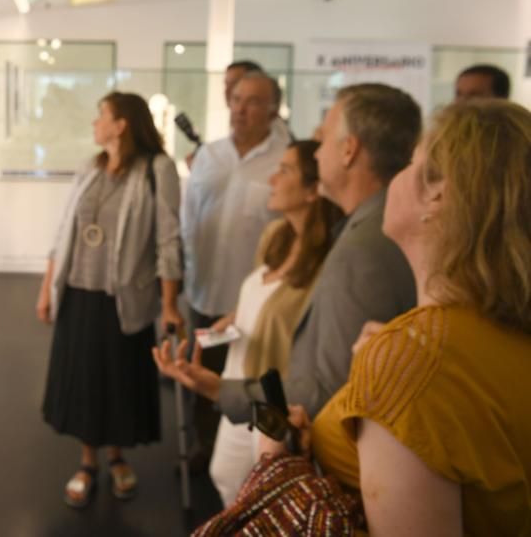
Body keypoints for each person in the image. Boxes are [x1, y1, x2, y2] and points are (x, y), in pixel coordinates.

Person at [257, 100, 531, 535]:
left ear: (437, 193)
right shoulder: (484, 337)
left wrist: (278, 464)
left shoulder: (410, 362)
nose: (394, 179)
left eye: (410, 163)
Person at [159, 83, 421, 425]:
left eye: (323, 139)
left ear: (349, 151)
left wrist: (221, 390)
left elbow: (330, 390)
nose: (315, 153)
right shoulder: (373, 227)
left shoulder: (362, 251)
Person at [37, 91, 184, 508]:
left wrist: (170, 304)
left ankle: (117, 456)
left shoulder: (157, 170)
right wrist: (46, 289)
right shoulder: (89, 167)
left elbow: (169, 242)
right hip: (79, 295)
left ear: (121, 124)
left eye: (101, 114)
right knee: (83, 381)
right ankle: (87, 461)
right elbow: (63, 230)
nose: (94, 122)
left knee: (118, 380)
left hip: (124, 299)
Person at [207, 140, 344, 504]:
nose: (272, 179)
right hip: (240, 380)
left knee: (264, 498)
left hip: (276, 398)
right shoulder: (276, 236)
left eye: (284, 171)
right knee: (225, 476)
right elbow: (264, 299)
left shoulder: (329, 262)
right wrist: (235, 318)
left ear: (314, 190)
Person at [180, 71, 289, 471]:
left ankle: (255, 466)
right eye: (237, 99)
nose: (241, 109)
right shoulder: (209, 155)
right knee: (200, 379)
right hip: (205, 296)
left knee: (251, 382)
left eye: (254, 101)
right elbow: (188, 221)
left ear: (274, 109)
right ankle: (202, 451)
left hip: (256, 308)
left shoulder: (284, 163)